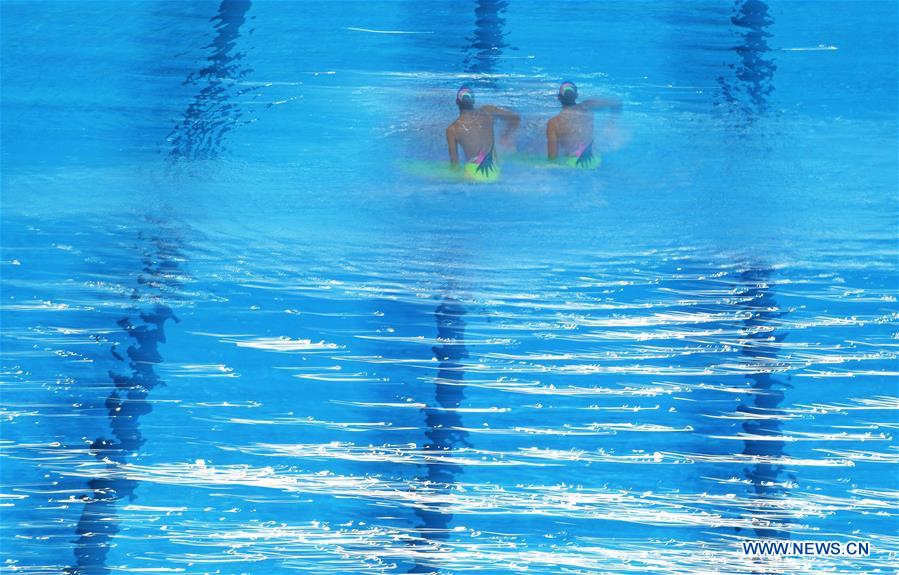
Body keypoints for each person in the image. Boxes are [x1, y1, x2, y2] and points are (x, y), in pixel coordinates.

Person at [446, 86, 520, 182]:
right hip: (494, 170)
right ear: (473, 101)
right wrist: (505, 135)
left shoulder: (452, 129)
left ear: (457, 102)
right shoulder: (488, 111)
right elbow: (515, 118)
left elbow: (454, 165)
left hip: (473, 174)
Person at [546, 82, 621, 169]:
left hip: (574, 164)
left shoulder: (553, 123)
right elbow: (616, 103)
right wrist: (611, 123)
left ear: (559, 98)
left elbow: (552, 159)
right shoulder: (587, 106)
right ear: (577, 96)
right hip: (595, 160)